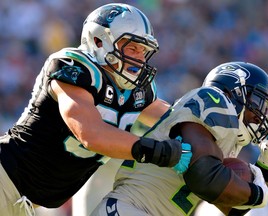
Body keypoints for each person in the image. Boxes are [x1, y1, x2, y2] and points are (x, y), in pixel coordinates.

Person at [0, 3, 192, 216]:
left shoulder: (137, 91)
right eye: (132, 48)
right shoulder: (74, 67)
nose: (139, 58)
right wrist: (158, 151)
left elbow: (173, 119)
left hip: (23, 203)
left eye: (144, 51)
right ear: (100, 41)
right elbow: (91, 133)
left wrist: (207, 132)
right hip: (4, 178)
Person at [92, 61, 268, 216]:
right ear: (233, 92)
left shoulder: (228, 138)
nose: (261, 116)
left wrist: (265, 168)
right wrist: (260, 195)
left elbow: (233, 208)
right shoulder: (213, 100)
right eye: (258, 103)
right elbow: (204, 178)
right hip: (131, 207)